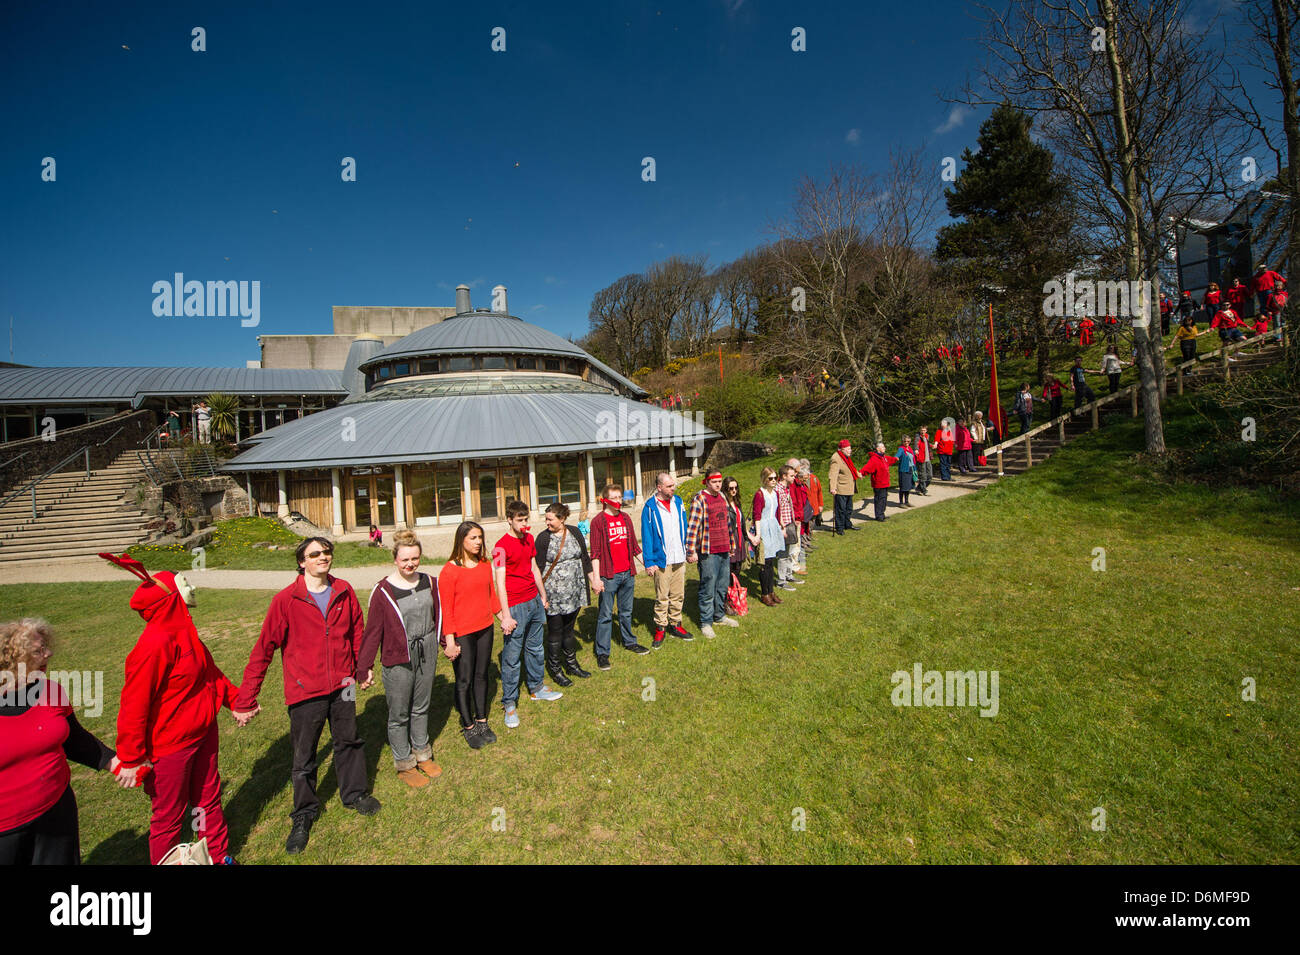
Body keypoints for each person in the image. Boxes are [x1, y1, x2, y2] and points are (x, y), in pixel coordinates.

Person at [234, 537, 379, 856]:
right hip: (305, 691)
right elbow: (263, 650)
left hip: (343, 685)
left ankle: (354, 794)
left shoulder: (344, 590)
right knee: (304, 757)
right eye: (315, 554)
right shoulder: (286, 600)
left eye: (326, 552)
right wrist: (246, 698)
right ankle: (303, 815)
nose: (323, 557)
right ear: (302, 562)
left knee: (349, 741)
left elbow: (357, 631)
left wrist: (360, 669)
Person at [100, 554, 244, 865]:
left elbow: (211, 675)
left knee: (207, 800)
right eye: (186, 583)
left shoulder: (185, 632)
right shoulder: (154, 644)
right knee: (170, 814)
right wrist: (131, 757)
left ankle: (217, 857)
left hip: (203, 733)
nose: (193, 586)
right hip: (170, 747)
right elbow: (133, 706)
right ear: (170, 598)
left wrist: (237, 701)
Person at [0, 618, 117, 865]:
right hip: (6, 830)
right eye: (39, 650)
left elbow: (74, 740)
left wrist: (114, 762)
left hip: (56, 812)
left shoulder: (51, 691)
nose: (49, 653)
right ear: (14, 658)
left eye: (46, 647)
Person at [356, 530, 442, 789]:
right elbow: (372, 632)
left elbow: (439, 615)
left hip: (426, 650)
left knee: (422, 705)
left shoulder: (429, 581)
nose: (410, 564)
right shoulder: (383, 591)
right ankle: (404, 762)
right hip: (398, 656)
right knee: (399, 712)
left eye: (415, 558)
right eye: (405, 559)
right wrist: (364, 667)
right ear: (394, 559)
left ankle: (422, 752)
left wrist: (447, 641)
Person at [493, 501, 562, 730]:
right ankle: (509, 703)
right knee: (512, 657)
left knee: (535, 648)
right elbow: (499, 583)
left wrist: (542, 596)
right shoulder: (500, 547)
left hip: (533, 601)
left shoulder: (529, 539)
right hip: (515, 606)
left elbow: (534, 569)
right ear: (509, 520)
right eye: (520, 520)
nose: (524, 524)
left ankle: (536, 688)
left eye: (526, 520)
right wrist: (505, 615)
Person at [438, 521, 503, 750]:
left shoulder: (485, 564)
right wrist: (450, 640)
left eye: (480, 538)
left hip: (485, 627)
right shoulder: (449, 571)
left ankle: (482, 721)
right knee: (464, 680)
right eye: (473, 538)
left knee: (482, 675)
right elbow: (446, 609)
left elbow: (491, 596)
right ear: (461, 540)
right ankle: (468, 725)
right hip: (462, 633)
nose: (478, 542)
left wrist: (502, 616)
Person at [533, 502, 596, 681]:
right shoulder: (543, 539)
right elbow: (536, 568)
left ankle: (572, 665)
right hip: (553, 595)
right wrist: (541, 595)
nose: (547, 523)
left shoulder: (575, 532)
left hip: (574, 592)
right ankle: (555, 669)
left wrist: (593, 580)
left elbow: (585, 558)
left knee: (569, 630)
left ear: (562, 519)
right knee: (555, 631)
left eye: (550, 519)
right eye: (546, 519)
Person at [588, 485, 648, 668]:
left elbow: (634, 547)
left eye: (620, 497)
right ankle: (603, 653)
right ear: (605, 499)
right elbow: (595, 553)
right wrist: (597, 579)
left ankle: (629, 642)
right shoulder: (598, 522)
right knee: (605, 615)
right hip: (609, 576)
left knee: (626, 611)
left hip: (627, 574)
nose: (618, 500)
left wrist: (648, 563)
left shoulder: (626, 517)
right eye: (614, 497)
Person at [685, 470, 742, 639]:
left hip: (724, 549)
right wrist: (690, 550)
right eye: (714, 481)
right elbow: (693, 526)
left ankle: (719, 615)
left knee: (722, 585)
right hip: (708, 551)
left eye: (719, 481)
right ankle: (706, 622)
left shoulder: (723, 497)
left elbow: (727, 524)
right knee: (708, 587)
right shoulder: (700, 499)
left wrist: (732, 544)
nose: (718, 484)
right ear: (707, 482)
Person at [639, 472, 692, 650]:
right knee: (662, 596)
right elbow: (646, 536)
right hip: (662, 559)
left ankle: (675, 624)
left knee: (678, 594)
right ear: (659, 487)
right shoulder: (650, 507)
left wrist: (688, 549)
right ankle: (660, 627)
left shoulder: (678, 502)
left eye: (673, 485)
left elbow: (684, 526)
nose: (673, 488)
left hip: (679, 555)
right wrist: (649, 561)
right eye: (669, 486)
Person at [751, 468, 786, 605]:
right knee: (764, 563)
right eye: (770, 478)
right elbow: (757, 515)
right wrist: (758, 534)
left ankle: (771, 591)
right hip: (764, 528)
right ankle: (764, 593)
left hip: (773, 527)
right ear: (764, 479)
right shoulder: (760, 494)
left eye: (775, 478)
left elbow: (777, 512)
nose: (773, 481)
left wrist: (781, 526)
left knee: (771, 562)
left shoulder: (775, 493)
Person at [724, 475, 761, 589]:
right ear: (725, 489)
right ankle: (727, 596)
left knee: (738, 568)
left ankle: (734, 593)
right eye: (731, 488)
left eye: (736, 487)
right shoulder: (723, 505)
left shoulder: (737, 503)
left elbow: (742, 524)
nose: (734, 490)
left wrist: (750, 537)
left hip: (739, 537)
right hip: (730, 538)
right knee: (729, 569)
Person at [828, 439, 861, 533]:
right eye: (848, 449)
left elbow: (851, 468)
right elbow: (833, 474)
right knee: (840, 510)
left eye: (850, 448)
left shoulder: (846, 457)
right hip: (841, 488)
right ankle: (840, 527)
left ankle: (847, 524)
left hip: (849, 487)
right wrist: (833, 488)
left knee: (849, 508)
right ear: (842, 449)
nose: (850, 450)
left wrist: (858, 474)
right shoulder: (836, 458)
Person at [863, 442, 899, 520]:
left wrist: (896, 459)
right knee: (879, 499)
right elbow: (867, 468)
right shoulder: (874, 459)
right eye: (882, 447)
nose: (884, 448)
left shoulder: (884, 457)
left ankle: (882, 514)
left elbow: (891, 460)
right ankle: (879, 515)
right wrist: (861, 473)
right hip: (878, 483)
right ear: (877, 449)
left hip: (885, 482)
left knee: (883, 499)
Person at [802, 458, 825, 530]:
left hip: (814, 507)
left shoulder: (814, 478)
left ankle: (809, 535)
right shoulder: (799, 480)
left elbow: (819, 492)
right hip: (804, 508)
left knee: (811, 523)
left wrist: (820, 505)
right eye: (802, 466)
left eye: (806, 466)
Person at [895, 437, 917, 508]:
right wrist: (896, 458)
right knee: (903, 487)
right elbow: (897, 455)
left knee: (908, 487)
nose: (906, 443)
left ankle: (907, 501)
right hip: (904, 470)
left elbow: (912, 457)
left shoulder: (910, 449)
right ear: (903, 442)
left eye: (908, 441)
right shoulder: (901, 449)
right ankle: (901, 502)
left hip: (911, 469)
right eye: (905, 441)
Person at [914, 426, 933, 495]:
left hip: (928, 459)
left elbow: (926, 444)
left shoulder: (927, 437)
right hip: (921, 458)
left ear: (926, 431)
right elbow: (916, 444)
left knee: (930, 475)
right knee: (923, 476)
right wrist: (916, 450)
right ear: (919, 430)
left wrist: (931, 446)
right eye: (922, 430)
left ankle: (919, 488)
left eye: (924, 430)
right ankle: (923, 490)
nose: (923, 432)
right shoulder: (917, 437)